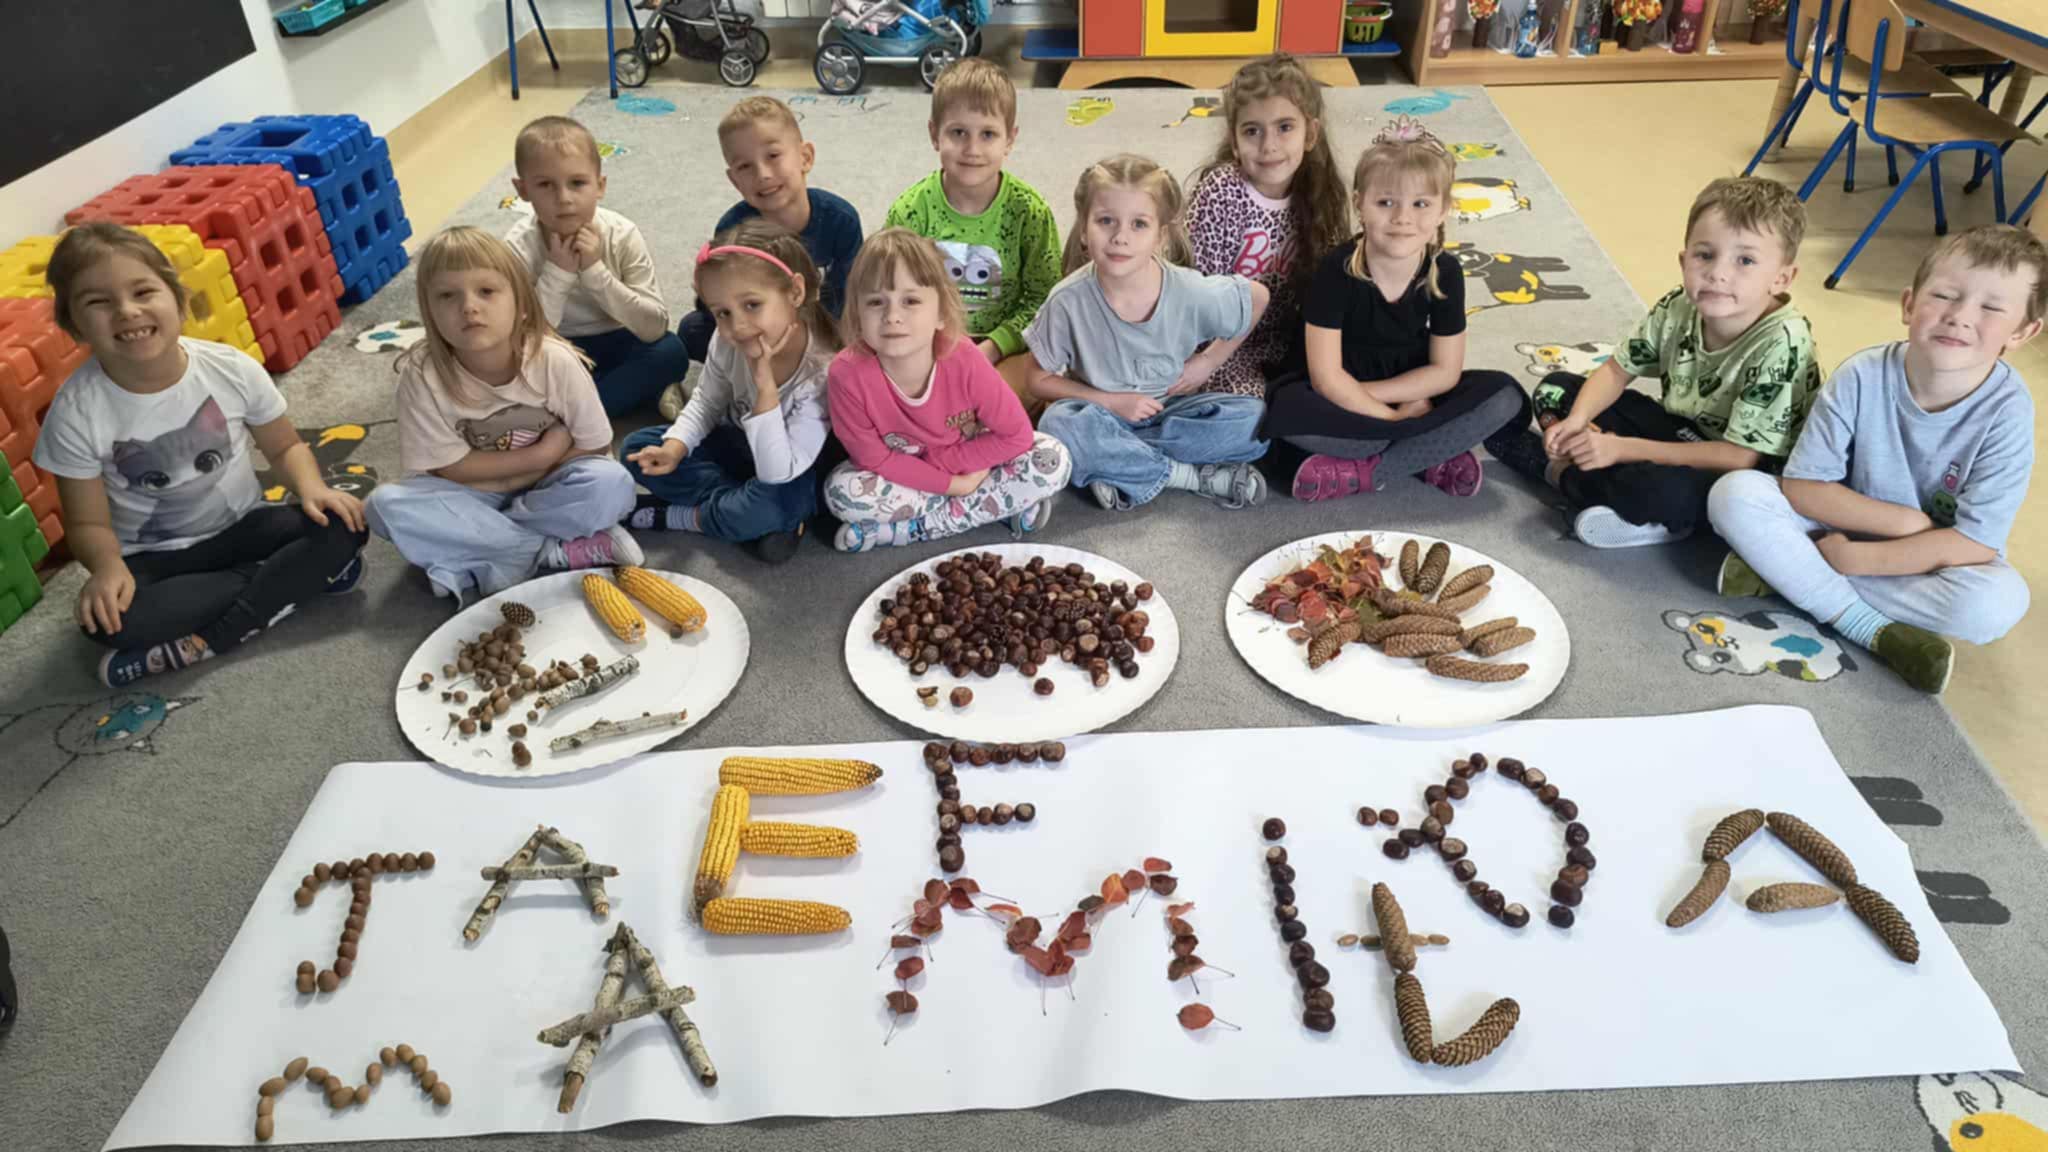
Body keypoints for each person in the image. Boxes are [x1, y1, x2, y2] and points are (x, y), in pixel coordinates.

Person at [1708, 226, 2040, 694]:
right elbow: (1802, 488)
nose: (1960, 317)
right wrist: (1905, 522)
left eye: (1991, 308)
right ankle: (1865, 624)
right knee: (1734, 493)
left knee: (1996, 605)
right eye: (1944, 295)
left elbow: (1975, 543)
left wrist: (1859, 559)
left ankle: (1787, 574)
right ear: (1909, 304)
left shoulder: (2009, 411)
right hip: (1834, 525)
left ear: (2023, 331)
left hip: (1919, 557)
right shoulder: (1862, 375)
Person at [34, 222, 367, 687]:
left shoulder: (230, 368)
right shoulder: (75, 412)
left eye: (143, 292)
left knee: (345, 524)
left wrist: (312, 488)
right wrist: (107, 569)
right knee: (106, 622)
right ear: (74, 324)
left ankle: (210, 639)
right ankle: (287, 584)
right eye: (98, 302)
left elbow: (285, 446)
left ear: (177, 299)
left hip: (244, 527)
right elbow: (87, 524)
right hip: (154, 560)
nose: (127, 311)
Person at [1484, 176, 1823, 546]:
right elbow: (1616, 370)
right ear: (1683, 260)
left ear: (1782, 278)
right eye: (1705, 255)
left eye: (1745, 260)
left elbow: (1740, 458)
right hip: (1678, 430)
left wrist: (1620, 448)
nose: (1718, 273)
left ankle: (1559, 474)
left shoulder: (1783, 343)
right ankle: (1608, 483)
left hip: (1739, 473)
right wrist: (1578, 421)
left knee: (1668, 493)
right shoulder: (1680, 304)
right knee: (1556, 390)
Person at [365, 227, 641, 604]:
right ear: (429, 312)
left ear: (522, 304)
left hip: (553, 483)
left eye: (486, 291)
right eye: (447, 295)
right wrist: (540, 456)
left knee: (612, 484)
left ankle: (486, 549)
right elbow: (450, 467)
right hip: (476, 490)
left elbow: (594, 443)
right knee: (383, 507)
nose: (469, 307)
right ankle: (545, 549)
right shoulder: (421, 375)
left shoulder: (555, 361)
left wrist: (532, 475)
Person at [1261, 119, 1522, 501]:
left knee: (1505, 395)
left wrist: (1398, 402)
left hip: (1413, 387)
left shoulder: (1445, 271)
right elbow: (1326, 377)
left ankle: (1367, 470)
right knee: (1289, 412)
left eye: (1421, 204)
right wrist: (1394, 417)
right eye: (1385, 202)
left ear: (1443, 210)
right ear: (1359, 203)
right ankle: (1428, 452)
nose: (1402, 218)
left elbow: (1445, 371)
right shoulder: (1335, 269)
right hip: (1340, 393)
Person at [1027, 154, 1269, 511]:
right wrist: (1110, 402)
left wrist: (1208, 361)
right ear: (1084, 228)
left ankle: (1121, 466)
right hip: (1099, 413)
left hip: (1170, 413)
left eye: (1139, 224)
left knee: (1254, 419)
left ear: (1161, 236)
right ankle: (1187, 476)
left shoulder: (1188, 290)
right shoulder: (1067, 301)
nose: (1120, 237)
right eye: (1105, 221)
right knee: (1059, 423)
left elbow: (1258, 297)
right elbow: (1036, 379)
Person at [823, 229, 1070, 553]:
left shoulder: (965, 358)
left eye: (910, 301)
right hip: (909, 474)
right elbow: (874, 458)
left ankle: (915, 529)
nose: (892, 316)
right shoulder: (845, 375)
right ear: (857, 315)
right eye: (875, 302)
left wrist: (946, 462)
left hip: (967, 460)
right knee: (841, 493)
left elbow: (1017, 435)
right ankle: (988, 508)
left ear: (941, 314)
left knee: (1052, 459)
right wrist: (955, 486)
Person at [621, 219, 837, 565]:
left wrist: (764, 384)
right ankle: (743, 516)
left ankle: (684, 517)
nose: (737, 326)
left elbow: (777, 472)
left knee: (775, 503)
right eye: (722, 312)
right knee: (636, 448)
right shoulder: (726, 340)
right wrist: (676, 446)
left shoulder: (822, 371)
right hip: (735, 444)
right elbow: (707, 401)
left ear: (795, 292)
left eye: (752, 305)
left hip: (788, 468)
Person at [884, 57, 1062, 418]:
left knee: (999, 402)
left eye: (988, 134)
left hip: (1008, 347)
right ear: (934, 134)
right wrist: (937, 344)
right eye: (958, 132)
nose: (973, 149)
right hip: (929, 343)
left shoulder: (1030, 211)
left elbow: (1044, 298)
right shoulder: (910, 212)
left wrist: (995, 346)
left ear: (1010, 139)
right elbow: (893, 293)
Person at [1185, 53, 1350, 400]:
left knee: (1339, 385)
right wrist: (1208, 361)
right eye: (1252, 131)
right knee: (1257, 409)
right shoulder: (1221, 191)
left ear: (1310, 134)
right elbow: (1200, 300)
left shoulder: (1320, 192)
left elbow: (1330, 287)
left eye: (1285, 127)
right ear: (1234, 141)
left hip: (1285, 339)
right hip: (1218, 345)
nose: (1269, 146)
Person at [505, 115, 687, 416]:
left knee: (671, 352)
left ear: (600, 185)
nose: (564, 198)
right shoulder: (516, 248)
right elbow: (526, 341)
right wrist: (558, 272)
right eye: (545, 185)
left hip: (622, 336)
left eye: (577, 183)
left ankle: (571, 414)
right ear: (523, 190)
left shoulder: (623, 233)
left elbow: (654, 327)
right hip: (558, 347)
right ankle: (629, 396)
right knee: (510, 369)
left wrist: (594, 271)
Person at [676, 96, 863, 370]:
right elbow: (724, 306)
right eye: (745, 166)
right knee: (692, 329)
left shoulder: (841, 221)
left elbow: (851, 300)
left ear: (805, 157)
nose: (762, 174)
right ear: (734, 180)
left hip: (822, 326)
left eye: (773, 156)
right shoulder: (732, 229)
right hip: (758, 327)